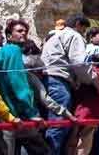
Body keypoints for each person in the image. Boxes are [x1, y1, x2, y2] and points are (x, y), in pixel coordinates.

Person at [0, 19, 48, 155]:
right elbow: (18, 83)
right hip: (17, 114)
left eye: (25, 31)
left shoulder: (1, 52)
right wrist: (31, 113)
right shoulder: (13, 50)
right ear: (9, 36)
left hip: (4, 112)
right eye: (19, 31)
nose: (24, 34)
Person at [41, 13, 92, 155]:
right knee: (59, 124)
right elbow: (79, 63)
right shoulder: (74, 36)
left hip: (47, 79)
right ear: (77, 25)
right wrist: (92, 80)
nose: (83, 33)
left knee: (51, 123)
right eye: (83, 30)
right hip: (60, 81)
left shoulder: (53, 36)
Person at [69, 52, 99, 155]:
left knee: (71, 142)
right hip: (91, 116)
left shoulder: (85, 74)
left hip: (76, 111)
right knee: (84, 145)